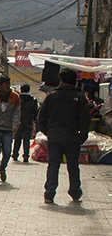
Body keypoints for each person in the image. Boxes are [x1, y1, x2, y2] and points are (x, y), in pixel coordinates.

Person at [37, 68, 90, 204]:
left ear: (60, 80)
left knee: (53, 166)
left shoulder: (52, 95)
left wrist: (48, 133)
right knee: (73, 167)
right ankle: (75, 193)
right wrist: (81, 137)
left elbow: (41, 118)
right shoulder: (80, 97)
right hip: (72, 138)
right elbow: (85, 120)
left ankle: (49, 194)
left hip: (55, 138)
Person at [0, 75, 21, 184]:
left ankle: (2, 168)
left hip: (8, 129)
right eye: (5, 85)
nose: (7, 87)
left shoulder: (15, 97)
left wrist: (15, 126)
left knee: (7, 151)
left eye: (8, 84)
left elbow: (17, 112)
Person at [12, 83, 38, 163]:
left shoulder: (18, 99)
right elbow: (35, 112)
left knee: (17, 139)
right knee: (26, 140)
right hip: (28, 123)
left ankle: (15, 155)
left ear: (21, 89)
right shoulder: (33, 100)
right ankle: (26, 156)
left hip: (18, 122)